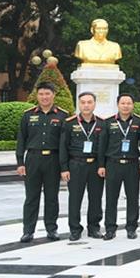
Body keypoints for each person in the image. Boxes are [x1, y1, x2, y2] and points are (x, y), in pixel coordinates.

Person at [16, 82, 66, 243]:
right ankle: (28, 231)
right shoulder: (28, 115)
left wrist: (64, 165)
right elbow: (21, 140)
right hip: (33, 159)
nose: (44, 97)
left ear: (53, 95)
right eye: (41, 94)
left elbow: (65, 143)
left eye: (47, 94)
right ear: (37, 96)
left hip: (53, 160)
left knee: (52, 197)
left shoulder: (62, 115)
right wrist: (20, 162)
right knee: (31, 197)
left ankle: (51, 229)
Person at [60, 91, 104, 240]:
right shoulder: (69, 123)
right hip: (76, 165)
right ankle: (75, 229)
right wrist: (64, 168)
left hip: (95, 166)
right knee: (75, 198)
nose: (86, 105)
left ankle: (94, 227)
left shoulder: (101, 123)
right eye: (83, 102)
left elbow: (104, 148)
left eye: (89, 102)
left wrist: (102, 165)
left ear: (94, 104)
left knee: (96, 198)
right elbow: (63, 147)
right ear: (79, 104)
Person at [98, 93, 140, 240]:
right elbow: (102, 146)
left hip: (132, 165)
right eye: (123, 103)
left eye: (129, 103)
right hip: (113, 164)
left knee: (132, 197)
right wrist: (101, 165)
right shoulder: (108, 122)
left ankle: (131, 227)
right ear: (118, 105)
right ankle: (110, 228)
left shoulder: (139, 122)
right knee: (111, 198)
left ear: (133, 105)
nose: (126, 106)